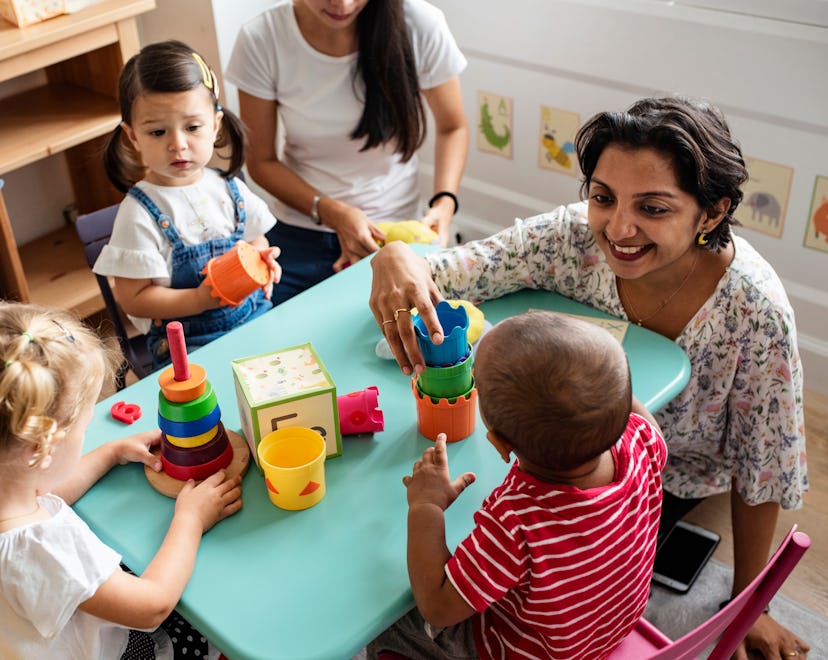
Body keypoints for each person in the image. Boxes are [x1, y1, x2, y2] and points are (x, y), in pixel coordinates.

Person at [368, 96, 810, 659]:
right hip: (609, 466)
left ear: (712, 213)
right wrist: (396, 256)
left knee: (411, 579)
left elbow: (763, 467)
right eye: (603, 198)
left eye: (653, 208)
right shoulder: (570, 240)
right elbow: (453, 270)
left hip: (667, 479)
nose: (618, 228)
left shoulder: (756, 311)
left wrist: (753, 603)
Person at [368, 311, 667, 659]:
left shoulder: (516, 521)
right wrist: (602, 386)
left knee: (391, 622)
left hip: (530, 652)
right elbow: (637, 417)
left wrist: (426, 507)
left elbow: (437, 606)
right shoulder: (641, 440)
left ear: (498, 443)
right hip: (603, 632)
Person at [0, 302, 243, 659]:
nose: (88, 435)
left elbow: (42, 492)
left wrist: (110, 452)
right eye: (84, 428)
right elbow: (152, 605)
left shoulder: (13, 492)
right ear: (41, 448)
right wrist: (190, 520)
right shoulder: (44, 551)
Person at [225, 0, 468, 305]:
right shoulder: (262, 38)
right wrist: (333, 212)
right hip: (301, 232)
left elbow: (452, 127)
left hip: (394, 234)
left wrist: (445, 202)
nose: (343, 4)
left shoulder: (420, 24)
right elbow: (261, 161)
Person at [95, 40, 281, 369]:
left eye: (193, 127)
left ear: (215, 125)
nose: (177, 145)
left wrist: (261, 262)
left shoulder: (228, 188)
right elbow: (133, 298)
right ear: (132, 136)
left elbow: (255, 239)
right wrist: (198, 299)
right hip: (189, 345)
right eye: (157, 132)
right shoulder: (139, 214)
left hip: (255, 316)